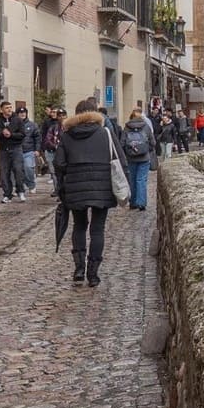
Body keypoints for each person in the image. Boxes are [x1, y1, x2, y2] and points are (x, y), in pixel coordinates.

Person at [54, 99, 118, 287]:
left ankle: (79, 268)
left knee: (79, 226)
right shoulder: (105, 133)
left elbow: (59, 164)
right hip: (102, 186)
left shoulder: (67, 136)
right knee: (97, 229)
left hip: (75, 186)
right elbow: (118, 159)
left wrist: (63, 186)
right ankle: (93, 273)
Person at [0, 101, 27, 203]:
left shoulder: (17, 120)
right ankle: (7, 194)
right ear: (1, 110)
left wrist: (11, 135)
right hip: (3, 150)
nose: (9, 109)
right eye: (7, 108)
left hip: (16, 148)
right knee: (4, 173)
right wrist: (2, 133)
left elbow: (22, 134)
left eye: (10, 107)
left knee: (18, 170)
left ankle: (20, 191)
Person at [121, 108, 156, 210]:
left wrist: (129, 152)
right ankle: (141, 203)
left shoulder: (127, 127)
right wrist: (145, 150)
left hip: (131, 158)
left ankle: (133, 202)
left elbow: (122, 143)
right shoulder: (146, 127)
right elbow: (153, 142)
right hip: (144, 158)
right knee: (141, 179)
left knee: (132, 180)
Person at [41, 107, 66, 193]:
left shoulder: (69, 128)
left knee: (63, 172)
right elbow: (47, 139)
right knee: (54, 172)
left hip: (64, 153)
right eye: (60, 116)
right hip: (52, 151)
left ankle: (63, 190)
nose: (62, 117)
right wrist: (54, 146)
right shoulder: (53, 127)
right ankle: (57, 189)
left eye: (63, 115)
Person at [17, 106, 41, 195]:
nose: (23, 114)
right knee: (18, 170)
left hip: (29, 151)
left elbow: (38, 138)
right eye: (20, 113)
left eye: (24, 112)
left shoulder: (32, 125)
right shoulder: (14, 124)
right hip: (17, 151)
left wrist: (37, 150)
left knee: (28, 168)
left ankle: (32, 185)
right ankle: (20, 187)